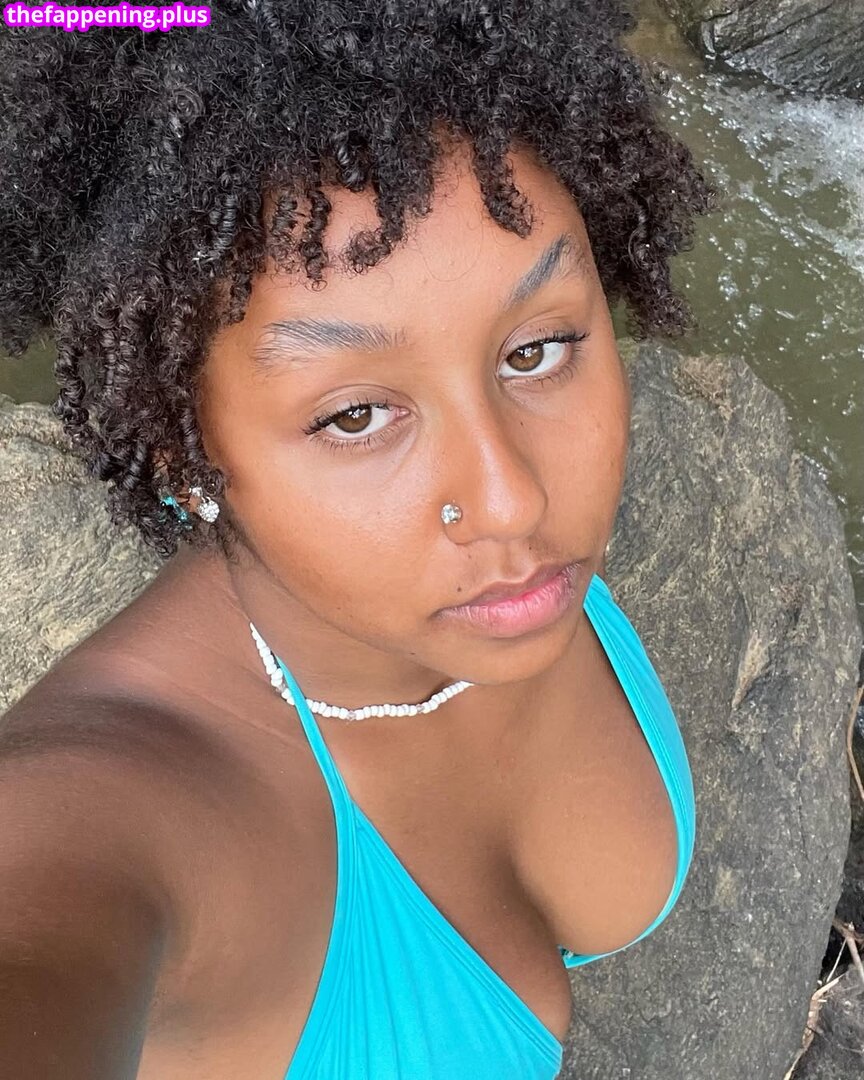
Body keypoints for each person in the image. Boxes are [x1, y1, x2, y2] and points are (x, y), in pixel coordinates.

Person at [0, 1, 709, 1077]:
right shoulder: (103, 824)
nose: (512, 502)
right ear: (181, 451)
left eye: (536, 350)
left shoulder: (503, 576)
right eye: (356, 415)